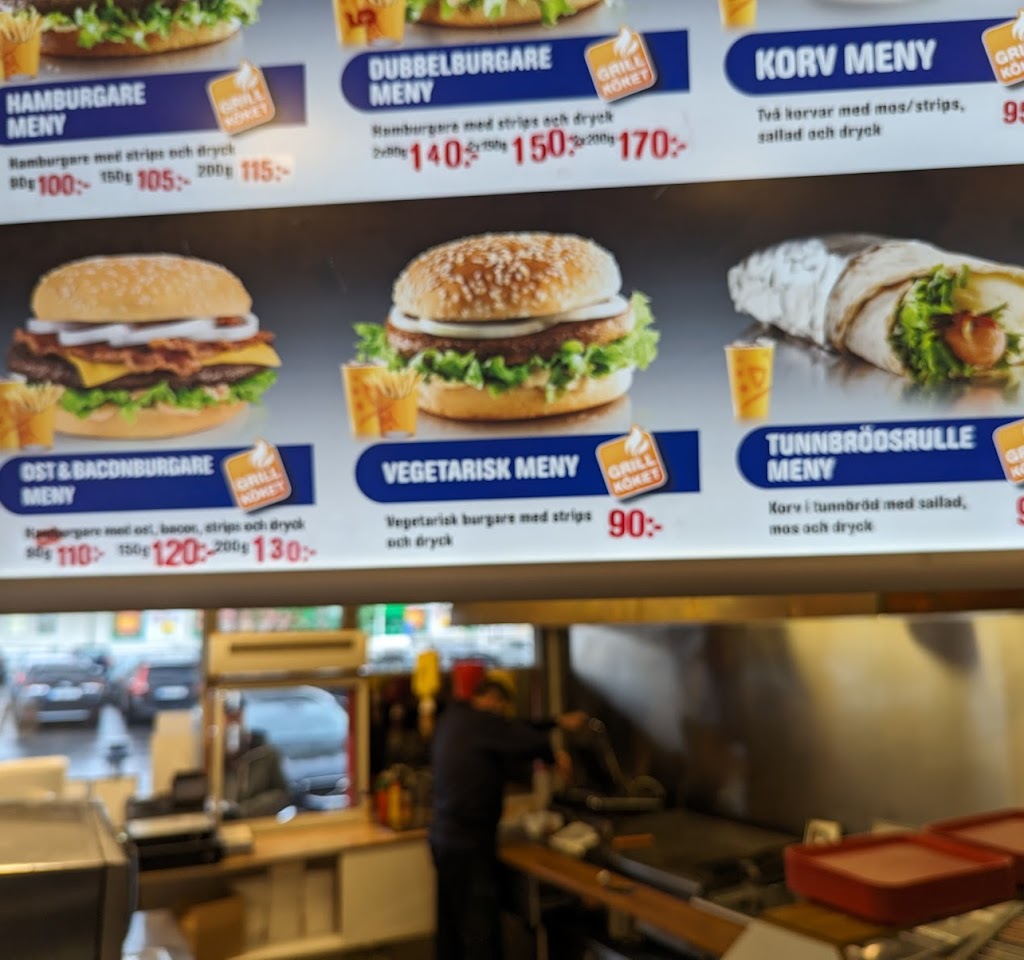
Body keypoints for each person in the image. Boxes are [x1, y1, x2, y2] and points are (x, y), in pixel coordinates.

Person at [429, 676, 587, 960]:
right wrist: (554, 755)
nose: (502, 717)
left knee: (451, 929)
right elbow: (521, 738)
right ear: (493, 700)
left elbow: (512, 728)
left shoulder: (456, 717)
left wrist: (556, 722)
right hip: (469, 842)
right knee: (481, 930)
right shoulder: (483, 723)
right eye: (502, 710)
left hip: (444, 837)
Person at [221, 698, 291, 819]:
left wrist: (240, 811)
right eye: (228, 717)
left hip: (257, 824)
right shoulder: (212, 757)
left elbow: (281, 795)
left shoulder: (265, 754)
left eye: (236, 717)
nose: (232, 724)